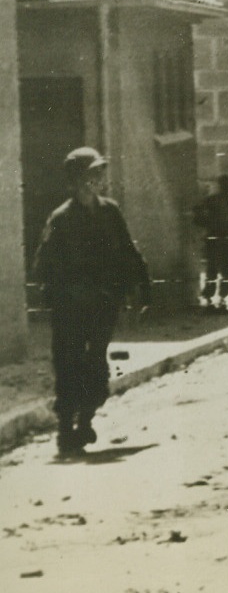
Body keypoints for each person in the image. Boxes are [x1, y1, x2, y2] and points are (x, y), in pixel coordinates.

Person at [31, 147, 151, 457]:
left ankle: (85, 419)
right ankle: (64, 431)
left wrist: (142, 289)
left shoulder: (110, 211)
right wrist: (61, 293)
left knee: (96, 364)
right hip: (70, 308)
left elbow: (128, 251)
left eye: (99, 175)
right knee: (68, 364)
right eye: (91, 175)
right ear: (76, 181)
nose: (98, 180)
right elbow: (42, 266)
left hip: (102, 304)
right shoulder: (61, 218)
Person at [194, 174, 228, 312]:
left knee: (220, 271)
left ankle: (219, 300)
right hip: (217, 239)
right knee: (217, 271)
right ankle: (213, 300)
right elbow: (198, 217)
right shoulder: (214, 201)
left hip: (221, 239)